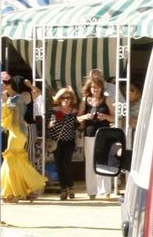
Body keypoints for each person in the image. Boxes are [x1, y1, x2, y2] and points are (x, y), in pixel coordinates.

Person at [0, 85, 47, 203]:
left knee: (12, 164)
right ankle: (20, 190)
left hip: (15, 134)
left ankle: (14, 193)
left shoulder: (12, 107)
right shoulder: (21, 107)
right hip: (20, 133)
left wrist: (4, 102)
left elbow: (4, 119)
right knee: (18, 163)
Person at [78, 71, 114, 199]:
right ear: (89, 87)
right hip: (90, 134)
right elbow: (78, 118)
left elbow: (113, 118)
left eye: (97, 87)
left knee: (103, 161)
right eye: (93, 87)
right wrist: (86, 116)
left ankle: (106, 190)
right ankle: (92, 191)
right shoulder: (85, 100)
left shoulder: (106, 100)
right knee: (90, 162)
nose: (95, 89)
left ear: (101, 88)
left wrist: (105, 116)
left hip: (104, 134)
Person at [48, 87, 80, 199]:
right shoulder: (54, 110)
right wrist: (51, 123)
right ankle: (63, 189)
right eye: (63, 97)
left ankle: (70, 187)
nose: (66, 100)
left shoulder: (74, 112)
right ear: (59, 99)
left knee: (67, 164)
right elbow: (48, 125)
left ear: (72, 99)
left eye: (68, 98)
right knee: (59, 165)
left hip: (69, 141)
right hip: (57, 142)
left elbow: (78, 125)